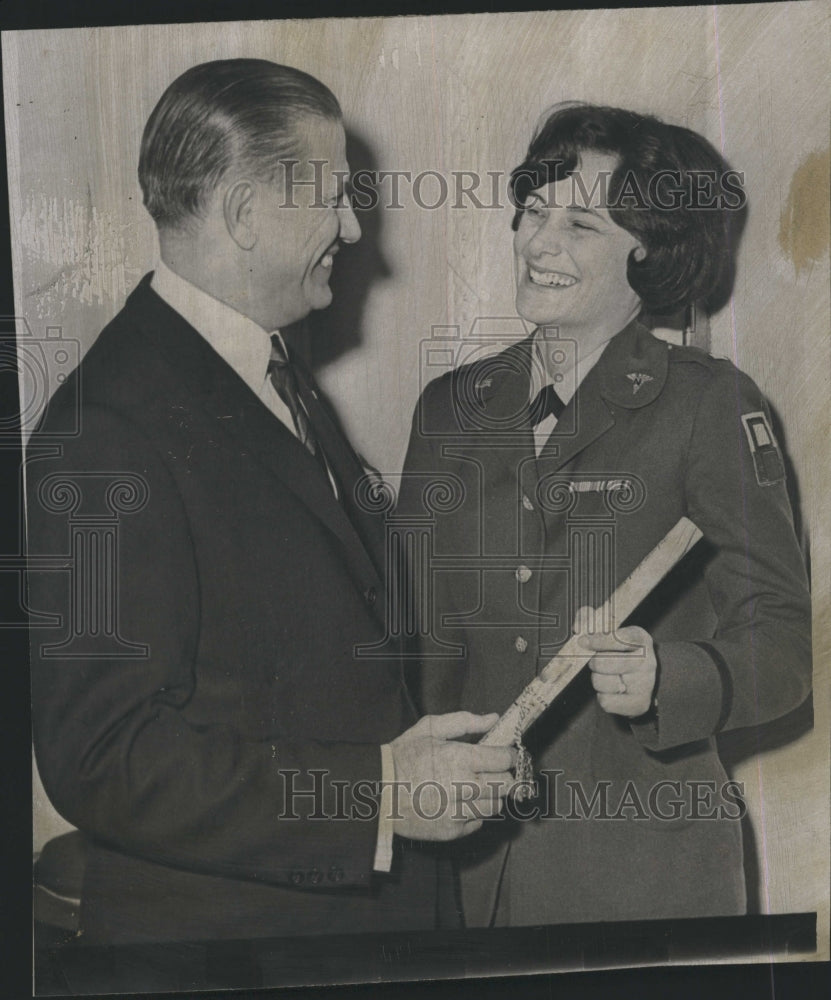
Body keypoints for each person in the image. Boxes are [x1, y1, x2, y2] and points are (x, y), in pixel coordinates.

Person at [26, 59, 515, 946]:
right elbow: (103, 757)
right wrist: (376, 794)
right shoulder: (106, 427)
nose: (353, 229)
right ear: (246, 214)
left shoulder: (269, 369)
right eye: (332, 199)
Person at [399, 103, 812, 927]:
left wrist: (672, 677)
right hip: (464, 874)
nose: (539, 243)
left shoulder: (708, 404)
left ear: (647, 250)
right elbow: (414, 640)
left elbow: (782, 645)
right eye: (534, 212)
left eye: (580, 224)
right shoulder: (449, 408)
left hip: (640, 882)